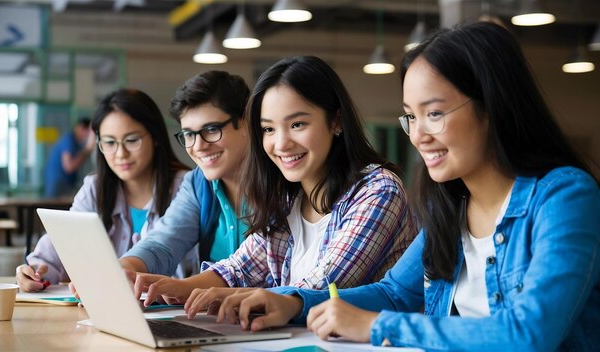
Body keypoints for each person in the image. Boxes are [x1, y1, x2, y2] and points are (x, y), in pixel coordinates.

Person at [206, 22, 600, 351]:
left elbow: (529, 334)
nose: (419, 135)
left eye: (434, 113)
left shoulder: (565, 197)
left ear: (491, 106)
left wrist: (378, 327)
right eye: (411, 117)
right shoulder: (455, 206)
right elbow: (396, 294)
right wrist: (292, 302)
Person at [136, 56, 417, 310]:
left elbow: (323, 287)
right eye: (268, 129)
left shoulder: (378, 191)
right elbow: (240, 269)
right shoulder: (287, 198)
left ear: (336, 121)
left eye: (297, 124)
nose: (281, 143)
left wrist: (235, 297)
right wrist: (178, 288)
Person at [16, 88, 190, 291]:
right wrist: (34, 271)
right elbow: (60, 246)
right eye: (109, 143)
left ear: (156, 136)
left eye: (132, 140)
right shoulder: (95, 190)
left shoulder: (187, 189)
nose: (120, 153)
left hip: (176, 314)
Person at [118, 71, 251, 280]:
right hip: (214, 312)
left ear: (245, 123)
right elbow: (163, 243)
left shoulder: (280, 182)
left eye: (211, 130)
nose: (199, 146)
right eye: (189, 134)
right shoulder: (198, 184)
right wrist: (123, 268)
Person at [43, 117, 95, 198]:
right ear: (80, 128)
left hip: (64, 183)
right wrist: (87, 150)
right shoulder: (69, 140)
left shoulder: (77, 144)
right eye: (88, 132)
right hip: (59, 183)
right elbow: (69, 167)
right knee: (54, 208)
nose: (88, 135)